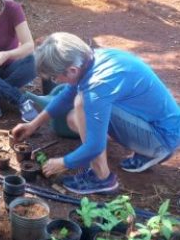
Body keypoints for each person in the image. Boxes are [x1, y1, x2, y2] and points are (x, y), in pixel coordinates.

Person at [11, 32, 180, 195]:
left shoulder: (97, 86)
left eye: (55, 78)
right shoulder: (91, 59)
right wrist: (33, 124)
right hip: (161, 128)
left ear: (72, 70)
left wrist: (63, 163)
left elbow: (95, 146)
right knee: (73, 119)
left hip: (161, 138)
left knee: (82, 104)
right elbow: (66, 95)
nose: (56, 81)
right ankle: (147, 151)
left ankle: (102, 178)